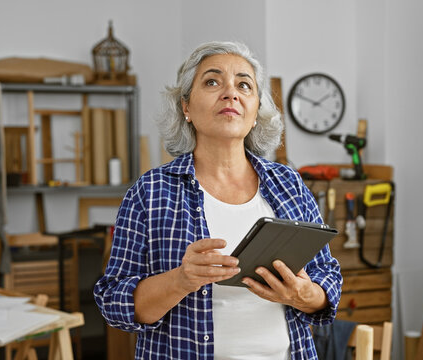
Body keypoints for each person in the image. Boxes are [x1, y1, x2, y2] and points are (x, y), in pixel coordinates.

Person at [94, 41, 342, 360]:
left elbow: (328, 277)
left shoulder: (289, 183)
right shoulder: (151, 191)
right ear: (186, 107)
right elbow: (114, 302)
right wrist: (180, 280)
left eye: (244, 84)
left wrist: (304, 294)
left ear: (255, 111)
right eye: (212, 81)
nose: (230, 93)